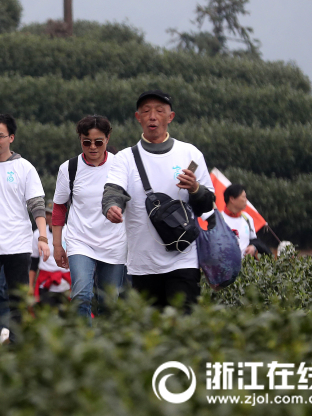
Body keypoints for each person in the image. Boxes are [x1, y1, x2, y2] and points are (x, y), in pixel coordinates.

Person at [102, 90, 216, 310]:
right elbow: (113, 190)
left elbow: (207, 205)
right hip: (143, 264)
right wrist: (111, 206)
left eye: (159, 111)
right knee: (150, 336)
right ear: (138, 117)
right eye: (146, 111)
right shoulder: (125, 158)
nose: (152, 116)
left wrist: (195, 188)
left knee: (183, 327)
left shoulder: (190, 154)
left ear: (170, 117)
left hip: (183, 260)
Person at [0, 114, 47, 339]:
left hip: (18, 242)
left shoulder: (24, 168)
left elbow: (36, 205)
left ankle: (17, 344)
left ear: (11, 138)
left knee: (18, 298)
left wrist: (43, 237)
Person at [51, 115, 126, 318]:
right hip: (80, 240)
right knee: (81, 296)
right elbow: (59, 208)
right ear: (80, 141)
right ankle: (85, 343)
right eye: (86, 142)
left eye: (98, 142)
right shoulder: (69, 169)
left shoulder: (121, 165)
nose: (92, 147)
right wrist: (57, 245)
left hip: (114, 242)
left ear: (108, 139)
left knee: (109, 303)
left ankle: (106, 347)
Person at [222, 184, 260, 259]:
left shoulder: (247, 218)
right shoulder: (219, 219)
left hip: (245, 268)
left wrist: (253, 247)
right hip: (224, 266)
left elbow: (254, 240)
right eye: (243, 197)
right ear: (232, 199)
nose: (246, 200)